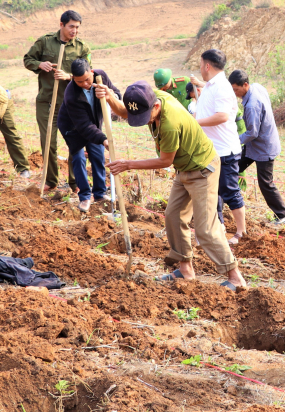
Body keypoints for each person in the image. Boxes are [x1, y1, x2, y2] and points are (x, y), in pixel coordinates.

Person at [100, 80, 246, 291]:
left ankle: (235, 277)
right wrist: (109, 98)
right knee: (174, 216)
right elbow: (127, 112)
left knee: (205, 229)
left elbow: (165, 161)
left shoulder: (170, 123)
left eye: (146, 116)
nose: (145, 121)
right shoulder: (148, 97)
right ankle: (185, 270)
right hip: (184, 168)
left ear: (155, 106)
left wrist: (128, 164)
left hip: (202, 170)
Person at [23, 10, 91, 191]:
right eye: (71, 26)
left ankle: (75, 182)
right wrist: (40, 64)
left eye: (77, 27)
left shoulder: (82, 48)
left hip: (71, 103)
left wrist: (69, 76)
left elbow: (89, 74)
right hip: (47, 101)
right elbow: (28, 59)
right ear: (61, 25)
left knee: (75, 143)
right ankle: (50, 180)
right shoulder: (45, 42)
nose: (74, 31)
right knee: (48, 142)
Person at [192, 50, 246, 245]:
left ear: (207, 66)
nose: (200, 68)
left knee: (229, 191)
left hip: (225, 151)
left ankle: (241, 232)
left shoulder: (222, 87)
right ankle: (218, 228)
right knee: (211, 192)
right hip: (211, 151)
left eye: (201, 64)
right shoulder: (211, 85)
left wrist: (195, 122)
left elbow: (222, 116)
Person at [57, 60, 121, 212]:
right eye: (79, 81)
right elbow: (84, 126)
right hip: (73, 127)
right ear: (73, 78)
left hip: (94, 124)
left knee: (98, 156)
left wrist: (109, 94)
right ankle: (85, 196)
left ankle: (99, 193)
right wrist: (103, 139)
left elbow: (117, 94)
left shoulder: (101, 77)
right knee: (79, 159)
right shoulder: (71, 94)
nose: (85, 84)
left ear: (91, 72)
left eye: (87, 79)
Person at [228, 70, 285, 223]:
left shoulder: (252, 105)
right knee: (232, 167)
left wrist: (234, 140)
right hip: (254, 146)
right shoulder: (257, 87)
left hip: (263, 147)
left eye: (236, 89)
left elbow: (252, 133)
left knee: (265, 183)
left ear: (245, 85)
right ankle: (223, 201)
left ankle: (282, 215)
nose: (234, 93)